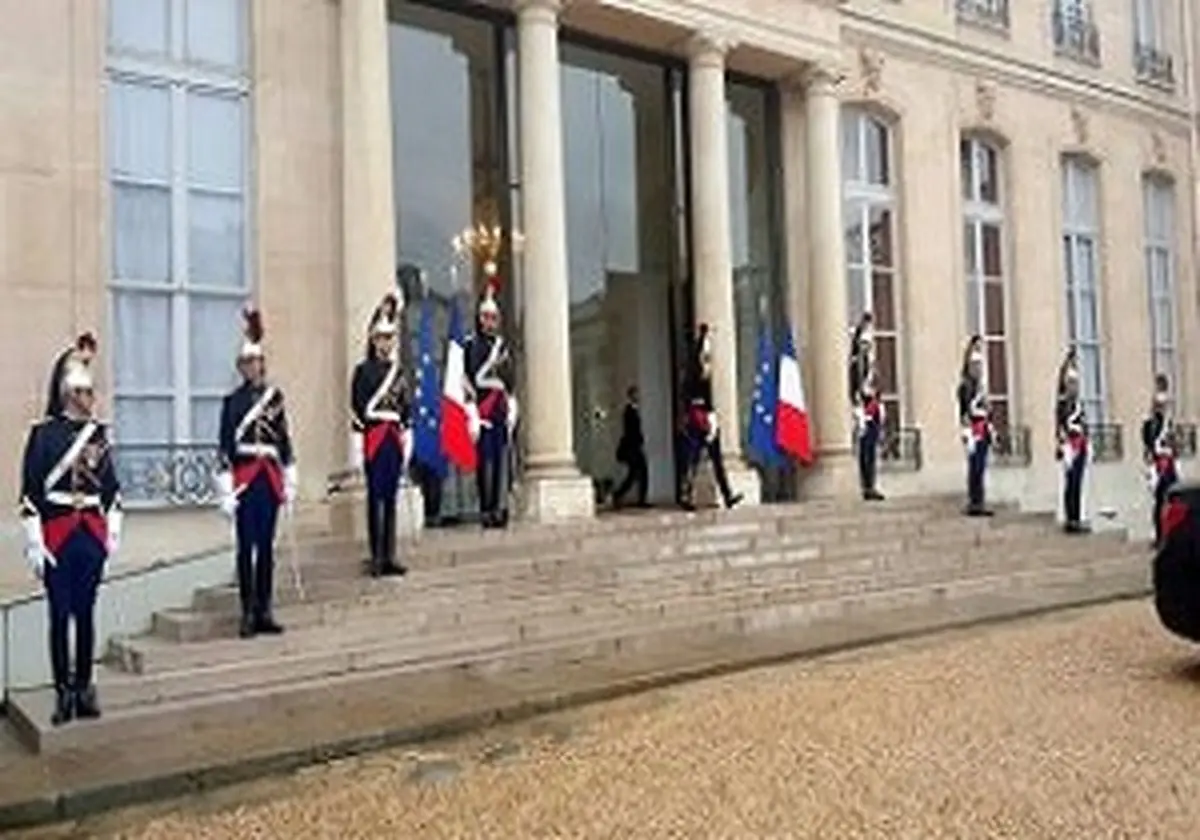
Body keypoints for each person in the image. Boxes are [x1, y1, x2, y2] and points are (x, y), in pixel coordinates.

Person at [19, 360, 122, 725]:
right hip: (57, 537)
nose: (91, 398)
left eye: (91, 392)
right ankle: (63, 691)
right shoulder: (43, 435)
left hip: (90, 535)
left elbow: (111, 492)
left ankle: (84, 688)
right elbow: (30, 494)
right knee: (60, 616)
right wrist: (34, 542)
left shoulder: (99, 436)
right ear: (69, 394)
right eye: (85, 392)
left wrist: (112, 535)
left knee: (86, 614)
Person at [215, 308, 297, 639]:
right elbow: (224, 446)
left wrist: (290, 474)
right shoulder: (232, 402)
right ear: (240, 367)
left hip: (269, 478)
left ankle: (265, 609)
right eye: (246, 363)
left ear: (263, 364)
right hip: (245, 478)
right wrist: (225, 488)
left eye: (256, 362)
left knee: (266, 548)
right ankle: (247, 611)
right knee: (245, 547)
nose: (252, 367)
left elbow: (283, 438)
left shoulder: (275, 398)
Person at [351, 292, 411, 577]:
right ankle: (376, 555)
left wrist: (407, 437)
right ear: (373, 341)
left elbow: (405, 408)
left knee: (391, 497)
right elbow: (356, 409)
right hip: (374, 436)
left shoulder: (398, 373)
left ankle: (389, 554)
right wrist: (357, 444)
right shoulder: (362, 371)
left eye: (389, 339)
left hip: (393, 438)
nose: (385, 343)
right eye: (381, 339)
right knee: (375, 497)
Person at [465, 282, 517, 528]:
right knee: (484, 461)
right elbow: (467, 380)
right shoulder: (471, 346)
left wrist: (512, 401)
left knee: (501, 459)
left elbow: (509, 377)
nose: (489, 322)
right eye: (485, 317)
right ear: (479, 319)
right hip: (483, 406)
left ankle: (500, 506)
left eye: (493, 318)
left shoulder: (502, 346)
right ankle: (486, 508)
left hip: (499, 406)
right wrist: (471, 410)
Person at [680, 324, 743, 512]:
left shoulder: (704, 379)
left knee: (716, 461)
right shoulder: (693, 377)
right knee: (692, 460)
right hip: (697, 422)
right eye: (705, 359)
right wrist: (702, 337)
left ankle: (727, 495)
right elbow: (695, 360)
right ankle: (686, 494)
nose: (708, 363)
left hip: (707, 421)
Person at [849, 314, 885, 501]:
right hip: (863, 407)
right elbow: (854, 387)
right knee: (865, 448)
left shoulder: (871, 363)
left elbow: (877, 385)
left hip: (873, 406)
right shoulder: (857, 363)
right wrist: (858, 409)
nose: (867, 345)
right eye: (864, 342)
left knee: (872, 447)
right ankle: (866, 484)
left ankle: (871, 483)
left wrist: (879, 403)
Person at [957, 335, 993, 517]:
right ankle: (975, 501)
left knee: (981, 466)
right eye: (975, 366)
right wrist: (966, 432)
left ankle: (980, 500)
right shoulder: (966, 386)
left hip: (983, 428)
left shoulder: (980, 387)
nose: (978, 369)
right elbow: (965, 412)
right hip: (973, 429)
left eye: (979, 366)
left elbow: (987, 410)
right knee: (975, 467)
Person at [1142, 373, 1180, 549]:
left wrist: (1173, 447)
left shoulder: (1169, 424)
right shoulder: (1150, 424)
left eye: (1164, 405)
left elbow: (1174, 445)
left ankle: (1171, 535)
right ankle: (1159, 537)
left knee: (1173, 501)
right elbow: (1148, 445)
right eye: (1159, 405)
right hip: (1158, 466)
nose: (1162, 408)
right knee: (1159, 503)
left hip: (1169, 464)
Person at [1055, 348, 1090, 534]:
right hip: (1070, 445)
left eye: (1075, 383)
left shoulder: (1078, 403)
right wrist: (1062, 444)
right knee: (1071, 483)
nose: (1074, 387)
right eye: (1071, 383)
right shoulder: (1063, 403)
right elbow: (1061, 426)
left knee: (1078, 483)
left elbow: (1083, 423)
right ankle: (1071, 519)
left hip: (1080, 444)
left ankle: (1077, 516)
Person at [45, 332, 98, 418]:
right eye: (91, 351)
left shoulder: (66, 359)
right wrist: (88, 411)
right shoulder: (74, 364)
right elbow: (77, 392)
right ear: (85, 347)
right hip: (68, 414)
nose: (91, 357)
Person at [613, 385, 648, 509]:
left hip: (635, 446)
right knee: (639, 472)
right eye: (636, 394)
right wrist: (638, 442)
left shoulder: (633, 410)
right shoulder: (629, 411)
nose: (638, 396)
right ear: (631, 396)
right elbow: (631, 431)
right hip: (633, 447)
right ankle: (622, 495)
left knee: (635, 474)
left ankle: (622, 495)